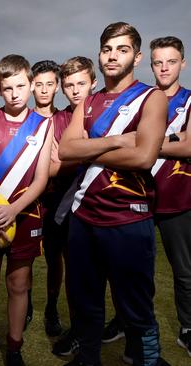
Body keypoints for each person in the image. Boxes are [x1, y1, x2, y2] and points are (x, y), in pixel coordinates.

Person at [59, 22, 169, 366]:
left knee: (136, 306)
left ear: (136, 57)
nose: (112, 55)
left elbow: (143, 156)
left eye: (122, 49)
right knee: (84, 303)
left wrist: (87, 149)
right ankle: (88, 359)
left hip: (129, 217)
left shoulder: (152, 97)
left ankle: (145, 359)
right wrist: (116, 140)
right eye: (107, 48)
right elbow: (65, 150)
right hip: (84, 218)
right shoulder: (88, 101)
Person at [0, 55, 53, 366]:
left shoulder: (44, 125)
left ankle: (14, 350)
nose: (15, 93)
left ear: (31, 85)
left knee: (19, 285)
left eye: (20, 86)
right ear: (0, 91)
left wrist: (13, 210)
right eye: (7, 88)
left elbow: (41, 178)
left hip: (26, 215)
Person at [48, 56, 97, 357]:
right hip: (68, 206)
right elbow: (54, 165)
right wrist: (99, 148)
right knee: (77, 274)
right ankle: (79, 330)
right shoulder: (61, 119)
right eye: (69, 85)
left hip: (107, 204)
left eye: (81, 83)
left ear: (93, 82)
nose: (76, 90)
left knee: (109, 276)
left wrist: (77, 152)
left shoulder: (108, 112)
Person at [149, 35, 191, 359]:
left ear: (182, 63)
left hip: (178, 199)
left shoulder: (190, 101)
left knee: (185, 271)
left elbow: (189, 147)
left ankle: (187, 328)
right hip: (137, 198)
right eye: (158, 62)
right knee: (132, 270)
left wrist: (145, 143)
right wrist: (172, 139)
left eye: (171, 61)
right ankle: (126, 322)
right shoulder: (141, 100)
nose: (164, 68)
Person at [29, 59, 61, 334]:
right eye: (38, 84)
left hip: (56, 200)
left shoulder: (65, 120)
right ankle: (24, 303)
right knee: (23, 258)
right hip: (27, 200)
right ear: (30, 86)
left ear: (57, 86)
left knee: (54, 257)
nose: (44, 90)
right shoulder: (23, 119)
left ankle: (52, 308)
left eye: (49, 84)